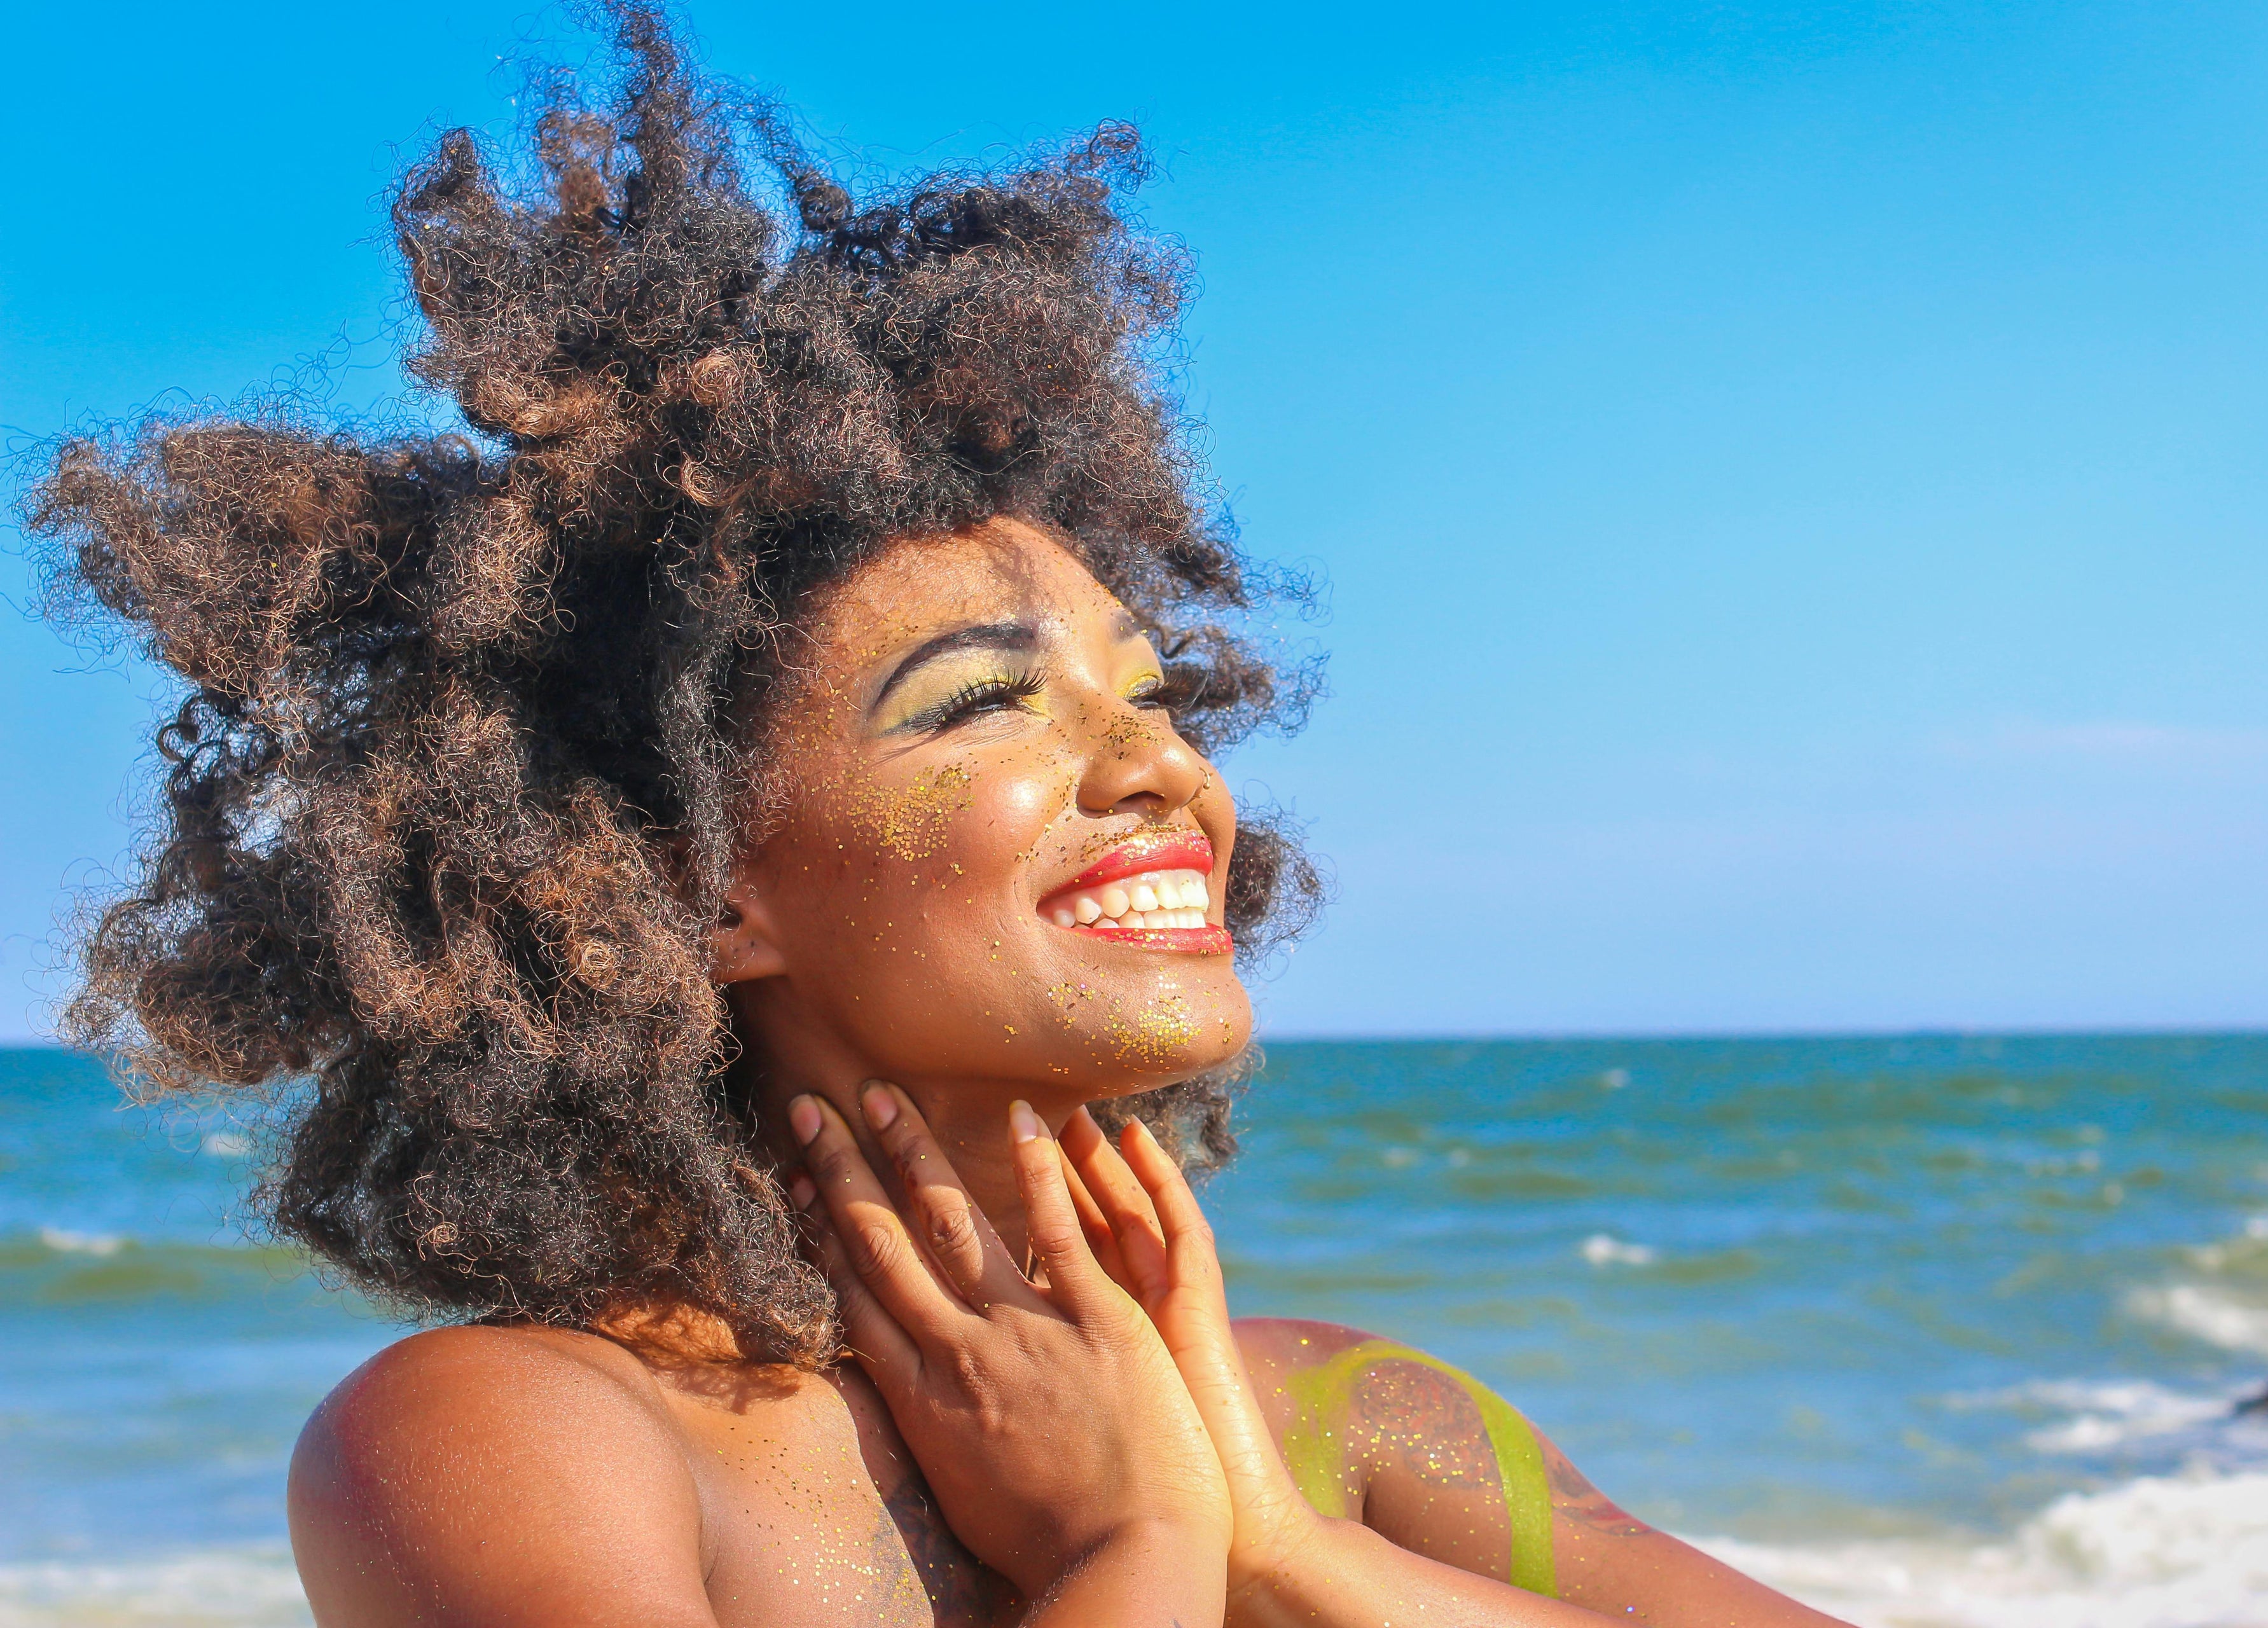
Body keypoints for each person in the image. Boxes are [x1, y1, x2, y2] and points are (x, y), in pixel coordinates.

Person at [25, 8, 1853, 1623]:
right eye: (985, 703)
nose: (1162, 771)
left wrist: (1291, 1558)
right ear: (684, 883)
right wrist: (1125, 1561)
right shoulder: (520, 1439)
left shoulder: (1349, 1420)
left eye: (1151, 694)